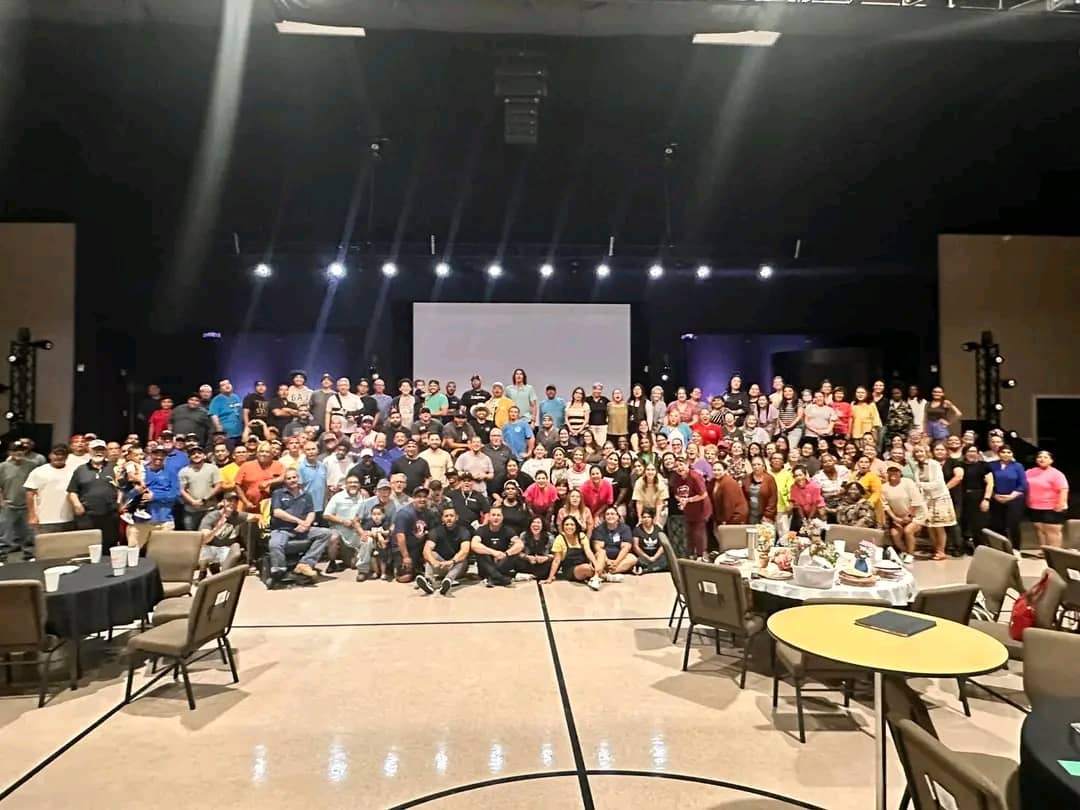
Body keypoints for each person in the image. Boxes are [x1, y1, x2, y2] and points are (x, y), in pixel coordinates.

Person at [267, 468, 333, 584]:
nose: (292, 480)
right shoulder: (278, 493)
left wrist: (307, 524)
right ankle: (279, 571)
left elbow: (311, 512)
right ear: (284, 481)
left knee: (325, 533)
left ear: (298, 478)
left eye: (294, 477)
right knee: (275, 544)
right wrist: (299, 521)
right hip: (282, 529)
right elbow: (277, 512)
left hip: (303, 529)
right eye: (289, 478)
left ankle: (305, 564)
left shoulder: (306, 495)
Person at [66, 440, 120, 551]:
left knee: (109, 547)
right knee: (87, 547)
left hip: (110, 515)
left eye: (101, 450)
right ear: (89, 451)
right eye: (95, 450)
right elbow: (72, 491)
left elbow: (122, 488)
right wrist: (77, 504)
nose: (98, 452)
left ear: (106, 451)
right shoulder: (80, 469)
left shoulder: (115, 468)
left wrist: (119, 502)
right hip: (87, 516)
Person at [414, 504, 472, 595]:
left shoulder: (464, 531)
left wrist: (451, 561)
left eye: (451, 516)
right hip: (440, 565)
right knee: (431, 554)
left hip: (456, 567)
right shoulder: (436, 531)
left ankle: (448, 581)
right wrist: (433, 561)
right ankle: (429, 581)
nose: (449, 518)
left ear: (456, 517)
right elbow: (426, 550)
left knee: (462, 559)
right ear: (442, 519)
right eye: (446, 516)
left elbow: (465, 551)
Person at [128, 447, 179, 549]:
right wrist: (136, 491)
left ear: (166, 457)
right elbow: (127, 494)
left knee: (162, 553)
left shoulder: (171, 473)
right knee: (133, 551)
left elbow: (174, 494)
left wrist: (154, 497)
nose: (159, 457)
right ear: (150, 455)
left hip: (163, 521)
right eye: (156, 454)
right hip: (139, 522)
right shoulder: (140, 470)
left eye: (162, 455)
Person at [322, 474, 370, 577]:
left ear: (359, 485)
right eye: (350, 483)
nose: (353, 485)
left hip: (357, 534)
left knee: (353, 565)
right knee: (333, 537)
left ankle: (351, 559)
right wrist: (342, 521)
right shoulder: (337, 497)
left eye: (355, 482)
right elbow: (326, 515)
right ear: (345, 485)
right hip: (341, 533)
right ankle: (332, 562)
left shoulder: (364, 497)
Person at [198, 492, 257, 575]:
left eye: (235, 502)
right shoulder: (211, 516)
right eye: (229, 501)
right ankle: (203, 572)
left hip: (226, 547)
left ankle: (218, 569)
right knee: (204, 553)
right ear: (223, 502)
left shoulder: (237, 515)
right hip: (210, 546)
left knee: (229, 560)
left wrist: (255, 518)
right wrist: (218, 526)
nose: (232, 503)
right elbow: (205, 539)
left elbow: (254, 516)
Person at [24, 444, 76, 537]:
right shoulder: (38, 471)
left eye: (62, 454)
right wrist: (32, 516)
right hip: (44, 520)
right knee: (46, 546)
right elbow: (30, 494)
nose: (59, 457)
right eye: (56, 454)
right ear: (50, 455)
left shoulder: (73, 471)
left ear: (67, 456)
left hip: (69, 519)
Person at [881, 463, 926, 564]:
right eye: (890, 471)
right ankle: (904, 551)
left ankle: (911, 554)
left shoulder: (908, 482)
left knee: (908, 531)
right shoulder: (884, 487)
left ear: (900, 472)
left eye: (896, 471)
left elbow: (916, 501)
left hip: (917, 514)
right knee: (894, 533)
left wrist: (909, 516)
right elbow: (885, 505)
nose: (893, 474)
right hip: (898, 517)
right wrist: (895, 518)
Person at [470, 504, 525, 586]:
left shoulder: (508, 530)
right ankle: (499, 578)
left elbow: (520, 544)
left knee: (514, 552)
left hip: (502, 563)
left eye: (498, 515)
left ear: (502, 517)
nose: (496, 518)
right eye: (493, 515)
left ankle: (493, 578)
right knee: (480, 552)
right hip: (487, 564)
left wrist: (506, 553)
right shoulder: (481, 530)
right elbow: (474, 544)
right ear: (489, 517)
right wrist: (493, 552)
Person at [545, 515, 603, 590]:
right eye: (567, 524)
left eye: (572, 524)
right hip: (571, 569)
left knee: (602, 553)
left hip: (586, 563)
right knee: (586, 567)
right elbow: (556, 560)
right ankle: (601, 575)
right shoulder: (559, 539)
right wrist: (550, 578)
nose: (569, 527)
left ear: (576, 526)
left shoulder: (581, 536)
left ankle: (596, 577)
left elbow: (588, 551)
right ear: (563, 526)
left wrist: (595, 564)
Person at [1026, 450, 1069, 548]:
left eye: (1045, 457)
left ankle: (1055, 553)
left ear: (1051, 460)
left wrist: (1061, 504)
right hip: (1034, 507)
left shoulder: (1056, 474)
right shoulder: (1029, 472)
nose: (1042, 459)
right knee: (1040, 529)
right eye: (1040, 457)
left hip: (1052, 507)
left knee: (1052, 531)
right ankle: (1045, 552)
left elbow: (1064, 489)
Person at [669, 458, 712, 559]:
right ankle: (691, 555)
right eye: (676, 466)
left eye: (681, 465)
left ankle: (701, 556)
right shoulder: (676, 478)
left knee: (698, 534)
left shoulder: (695, 477)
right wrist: (681, 500)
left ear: (687, 464)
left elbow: (703, 494)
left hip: (701, 509)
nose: (679, 468)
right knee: (689, 534)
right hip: (688, 510)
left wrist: (688, 500)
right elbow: (676, 494)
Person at [988, 444, 1027, 549]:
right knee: (998, 525)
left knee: (1013, 525)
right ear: (998, 453)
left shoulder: (1018, 466)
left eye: (1008, 452)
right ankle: (1002, 549)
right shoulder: (991, 465)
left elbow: (1023, 484)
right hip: (996, 499)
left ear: (1012, 454)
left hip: (1014, 499)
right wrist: (994, 495)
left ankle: (1016, 549)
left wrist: (1011, 496)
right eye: (1003, 452)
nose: (1006, 454)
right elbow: (987, 482)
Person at [178, 445, 222, 530]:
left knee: (208, 533)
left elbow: (218, 485)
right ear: (189, 457)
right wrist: (193, 501)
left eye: (199, 453)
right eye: (193, 454)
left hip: (210, 509)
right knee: (191, 534)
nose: (196, 455)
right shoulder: (184, 471)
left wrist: (204, 499)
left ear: (204, 456)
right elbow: (182, 490)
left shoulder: (213, 468)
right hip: (191, 510)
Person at [234, 441, 286, 513]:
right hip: (250, 507)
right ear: (257, 454)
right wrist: (246, 502)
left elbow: (285, 477)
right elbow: (237, 486)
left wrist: (269, 482)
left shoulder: (278, 465)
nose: (264, 454)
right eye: (261, 451)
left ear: (272, 455)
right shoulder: (246, 466)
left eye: (267, 452)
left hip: (271, 508)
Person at [958, 444, 993, 551]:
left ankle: (982, 548)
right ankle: (968, 547)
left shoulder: (984, 465)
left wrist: (986, 499)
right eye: (969, 451)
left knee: (979, 525)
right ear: (964, 454)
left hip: (979, 497)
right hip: (963, 497)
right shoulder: (960, 465)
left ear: (978, 453)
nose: (971, 454)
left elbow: (990, 483)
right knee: (965, 524)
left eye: (974, 451)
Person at [516, 516, 555, 580]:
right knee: (516, 560)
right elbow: (518, 552)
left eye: (538, 522)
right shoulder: (523, 535)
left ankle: (531, 576)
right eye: (533, 522)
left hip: (543, 563)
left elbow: (555, 554)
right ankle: (536, 576)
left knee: (552, 563)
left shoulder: (549, 537)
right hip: (528, 562)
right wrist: (527, 557)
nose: (536, 524)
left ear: (542, 525)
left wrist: (546, 558)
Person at [631, 507, 668, 574]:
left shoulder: (658, 529)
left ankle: (646, 570)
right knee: (637, 561)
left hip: (656, 556)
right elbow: (635, 547)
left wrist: (654, 557)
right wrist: (647, 558)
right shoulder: (637, 530)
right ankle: (654, 568)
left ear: (652, 518)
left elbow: (662, 546)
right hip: (643, 556)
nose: (646, 519)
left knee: (666, 560)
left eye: (649, 517)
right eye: (644, 517)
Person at [742, 456, 778, 526]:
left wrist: (768, 515)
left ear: (763, 466)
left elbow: (773, 499)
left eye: (758, 464)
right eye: (754, 465)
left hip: (765, 515)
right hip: (750, 514)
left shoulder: (770, 479)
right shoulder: (747, 478)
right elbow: (743, 496)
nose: (756, 467)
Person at [209, 379, 243, 447]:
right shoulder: (217, 400)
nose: (227, 386)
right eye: (223, 385)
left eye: (228, 383)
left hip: (239, 432)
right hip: (227, 435)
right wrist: (219, 430)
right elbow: (213, 415)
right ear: (220, 389)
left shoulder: (236, 397)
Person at [789, 465, 826, 530]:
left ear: (805, 475)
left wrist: (810, 518)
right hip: (804, 510)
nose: (798, 478)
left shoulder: (814, 486)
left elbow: (815, 504)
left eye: (800, 475)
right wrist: (803, 519)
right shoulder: (793, 487)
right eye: (796, 476)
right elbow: (798, 506)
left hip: (816, 511)